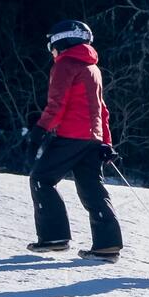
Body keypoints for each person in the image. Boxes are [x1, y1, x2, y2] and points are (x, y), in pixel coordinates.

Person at [28, 20, 123, 262]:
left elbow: (57, 103)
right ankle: (107, 245)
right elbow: (103, 110)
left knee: (41, 179)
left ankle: (54, 237)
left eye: (52, 46)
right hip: (93, 138)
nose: (52, 53)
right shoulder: (93, 68)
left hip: (71, 135)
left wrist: (40, 129)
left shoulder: (66, 65)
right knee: (92, 187)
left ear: (62, 42)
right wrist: (106, 142)